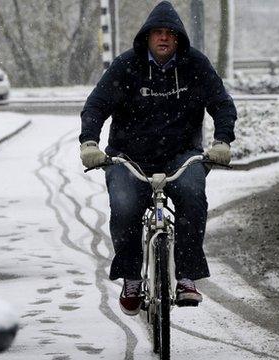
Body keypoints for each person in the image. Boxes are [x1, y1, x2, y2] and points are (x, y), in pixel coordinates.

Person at [79, 1, 236, 315]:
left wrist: (222, 140)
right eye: (157, 33)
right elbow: (96, 105)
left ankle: (188, 277)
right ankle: (131, 279)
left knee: (193, 195)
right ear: (147, 37)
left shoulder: (195, 65)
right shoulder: (126, 66)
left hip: (182, 155)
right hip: (129, 157)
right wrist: (89, 143)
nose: (164, 38)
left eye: (170, 33)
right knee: (124, 207)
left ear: (178, 38)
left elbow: (221, 103)